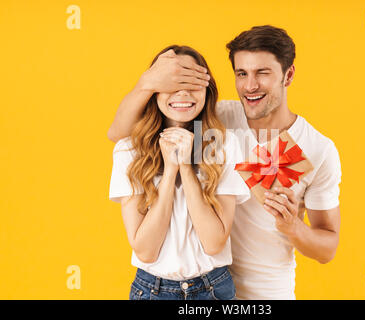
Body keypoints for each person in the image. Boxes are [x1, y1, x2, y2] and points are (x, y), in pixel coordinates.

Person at [108, 26, 342, 300]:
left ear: (287, 75)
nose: (250, 85)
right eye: (242, 74)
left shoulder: (316, 148)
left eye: (262, 73)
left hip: (267, 293)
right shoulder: (215, 118)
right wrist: (147, 82)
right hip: (206, 283)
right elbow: (122, 134)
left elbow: (327, 248)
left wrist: (294, 227)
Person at [108, 45, 250, 300]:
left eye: (192, 83)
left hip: (213, 289)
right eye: (173, 84)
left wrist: (185, 166)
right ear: (154, 91)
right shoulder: (128, 150)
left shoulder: (225, 145)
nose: (183, 92)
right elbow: (146, 250)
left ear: (207, 91)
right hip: (152, 291)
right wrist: (170, 168)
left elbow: (214, 242)